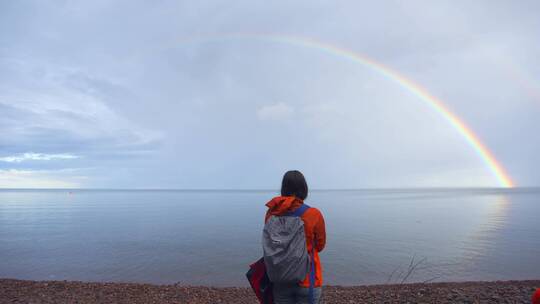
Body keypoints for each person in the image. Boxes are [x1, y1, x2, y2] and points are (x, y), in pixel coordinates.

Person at [264, 170, 326, 304]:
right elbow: (320, 246)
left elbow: (270, 243)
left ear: (283, 188)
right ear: (304, 189)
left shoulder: (271, 214)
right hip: (308, 279)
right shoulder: (313, 214)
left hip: (280, 278)